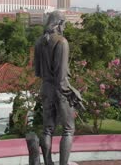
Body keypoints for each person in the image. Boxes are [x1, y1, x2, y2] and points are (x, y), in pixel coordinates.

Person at [34, 11, 82, 165]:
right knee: (68, 129)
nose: (65, 27)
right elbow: (61, 79)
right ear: (59, 23)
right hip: (60, 91)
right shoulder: (62, 42)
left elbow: (38, 72)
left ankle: (48, 162)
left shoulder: (39, 42)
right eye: (65, 24)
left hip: (46, 89)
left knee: (47, 129)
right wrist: (74, 93)